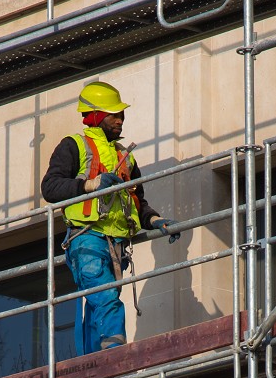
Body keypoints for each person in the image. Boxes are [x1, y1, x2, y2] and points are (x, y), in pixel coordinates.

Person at [41, 80, 178, 355]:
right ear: (95, 116)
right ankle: (116, 355)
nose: (120, 121)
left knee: (97, 306)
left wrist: (154, 220)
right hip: (86, 239)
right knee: (106, 298)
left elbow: (138, 201)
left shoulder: (125, 157)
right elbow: (50, 188)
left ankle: (91, 369)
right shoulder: (74, 146)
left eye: (122, 115)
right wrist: (89, 185)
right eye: (114, 115)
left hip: (115, 244)